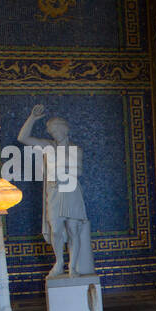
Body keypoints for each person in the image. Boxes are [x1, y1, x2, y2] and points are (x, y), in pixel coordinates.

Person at [18, 104, 94, 277]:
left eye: (57, 130)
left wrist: (61, 169)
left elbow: (79, 171)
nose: (54, 134)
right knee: (56, 229)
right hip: (54, 192)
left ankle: (72, 267)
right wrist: (32, 119)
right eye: (52, 132)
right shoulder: (47, 146)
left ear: (65, 130)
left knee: (73, 229)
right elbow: (23, 138)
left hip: (71, 191)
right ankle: (59, 262)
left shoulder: (76, 149)